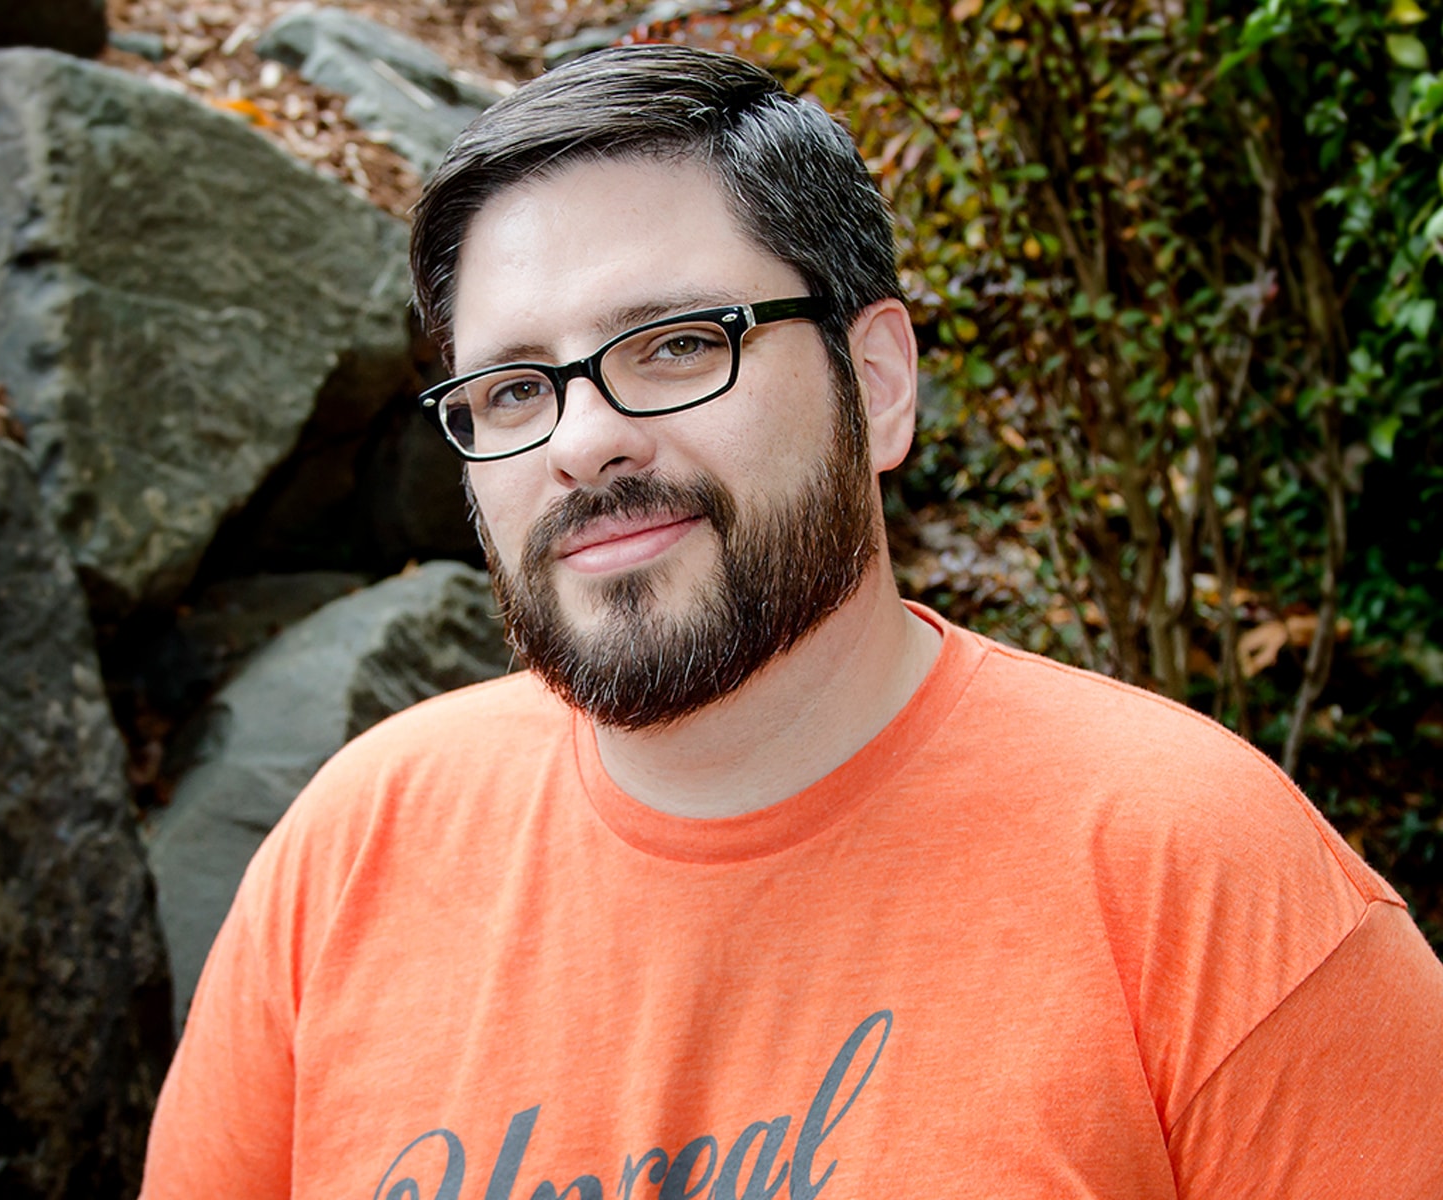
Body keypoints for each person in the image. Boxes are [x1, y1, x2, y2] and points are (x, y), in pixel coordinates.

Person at [140, 44, 1443, 1200]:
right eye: (516, 386)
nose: (584, 441)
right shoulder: (354, 849)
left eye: (673, 344)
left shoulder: (1201, 881)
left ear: (875, 386)